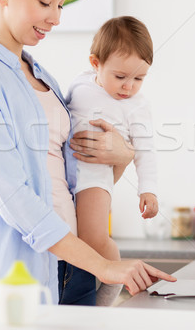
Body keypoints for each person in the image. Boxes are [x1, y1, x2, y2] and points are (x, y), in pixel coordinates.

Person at [0, 0, 175, 306]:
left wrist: (123, 158)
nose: (56, 17)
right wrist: (104, 265)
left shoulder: (41, 74)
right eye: (45, 2)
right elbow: (14, 196)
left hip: (74, 264)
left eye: (61, 4)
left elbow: (73, 179)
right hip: (18, 275)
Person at [66, 16, 159, 305]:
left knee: (92, 238)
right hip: (63, 170)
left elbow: (145, 149)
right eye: (120, 77)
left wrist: (148, 189)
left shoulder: (136, 106)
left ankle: (108, 292)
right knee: (69, 239)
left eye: (139, 78)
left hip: (93, 177)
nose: (129, 86)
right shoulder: (81, 81)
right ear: (96, 64)